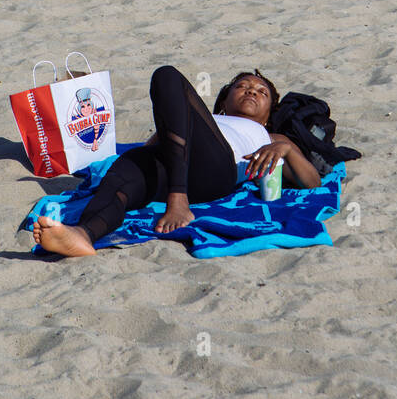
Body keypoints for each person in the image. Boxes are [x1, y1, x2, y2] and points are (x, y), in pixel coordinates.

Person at [30, 65, 322, 256]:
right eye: (243, 86)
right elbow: (154, 145)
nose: (251, 91)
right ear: (223, 100)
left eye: (262, 92)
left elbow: (313, 182)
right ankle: (83, 234)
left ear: (270, 112)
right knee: (125, 175)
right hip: (172, 164)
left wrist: (287, 151)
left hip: (214, 171)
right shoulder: (207, 119)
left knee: (167, 74)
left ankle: (178, 199)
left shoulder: (269, 135)